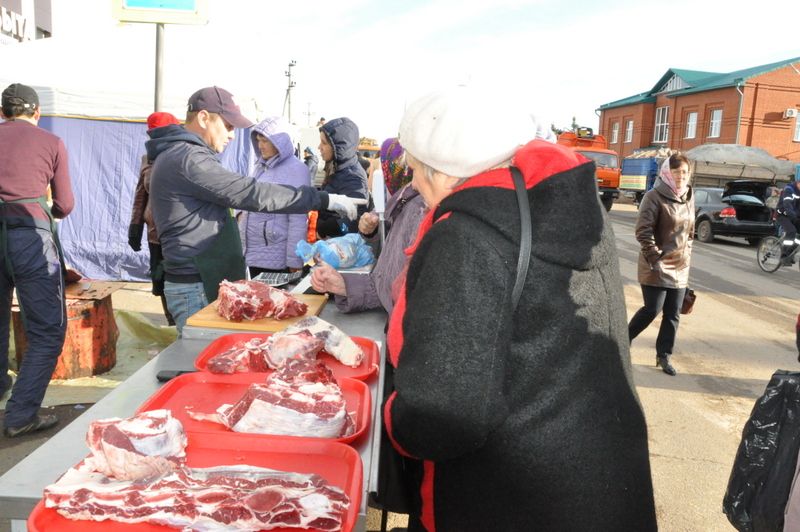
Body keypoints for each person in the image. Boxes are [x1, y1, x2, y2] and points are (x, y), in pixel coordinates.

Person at [383, 86, 657, 530]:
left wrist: (394, 415)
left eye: (414, 169)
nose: (412, 182)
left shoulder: (467, 235)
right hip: (596, 483)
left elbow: (444, 412)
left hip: (508, 496)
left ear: (448, 173)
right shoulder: (567, 208)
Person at [148, 86, 363, 334]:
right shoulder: (188, 158)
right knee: (203, 361)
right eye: (228, 126)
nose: (232, 135)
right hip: (195, 283)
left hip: (204, 278)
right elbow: (251, 193)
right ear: (204, 118)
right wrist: (325, 200)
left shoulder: (186, 154)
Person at [0, 83, 75, 438]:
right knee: (47, 331)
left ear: (2, 113)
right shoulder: (51, 142)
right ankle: (20, 415)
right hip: (29, 235)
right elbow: (65, 205)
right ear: (37, 113)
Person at [311, 138, 424, 316]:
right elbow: (387, 274)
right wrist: (369, 231)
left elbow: (396, 287)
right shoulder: (399, 199)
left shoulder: (418, 208)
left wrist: (327, 227)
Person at [628, 153, 695, 376]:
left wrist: (687, 255)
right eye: (676, 172)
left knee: (673, 314)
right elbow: (643, 231)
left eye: (684, 172)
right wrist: (654, 257)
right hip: (655, 264)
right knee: (651, 310)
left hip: (680, 266)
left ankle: (664, 356)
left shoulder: (688, 196)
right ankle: (623, 340)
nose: (680, 176)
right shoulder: (653, 196)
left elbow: (690, 232)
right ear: (667, 173)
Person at [128, 111, 181, 326]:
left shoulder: (182, 155)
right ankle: (170, 325)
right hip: (155, 234)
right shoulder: (147, 158)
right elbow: (141, 193)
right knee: (160, 284)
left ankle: (182, 324)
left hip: (179, 235)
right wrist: (135, 224)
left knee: (180, 282)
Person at [239, 117, 310, 277]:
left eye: (265, 140)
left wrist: (294, 259)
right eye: (258, 140)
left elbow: (298, 219)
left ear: (280, 142)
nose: (260, 145)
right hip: (253, 252)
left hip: (276, 253)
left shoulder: (297, 169)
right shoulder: (260, 166)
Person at [316, 117, 369, 239]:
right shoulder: (336, 168)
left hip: (337, 249)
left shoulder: (353, 176)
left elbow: (355, 221)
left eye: (324, 143)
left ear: (339, 147)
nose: (319, 147)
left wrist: (325, 229)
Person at [776, 178, 800, 262]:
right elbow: (787, 205)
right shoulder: (789, 189)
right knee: (791, 231)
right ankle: (784, 255)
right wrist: (793, 217)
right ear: (798, 183)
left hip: (794, 216)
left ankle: (790, 252)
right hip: (782, 214)